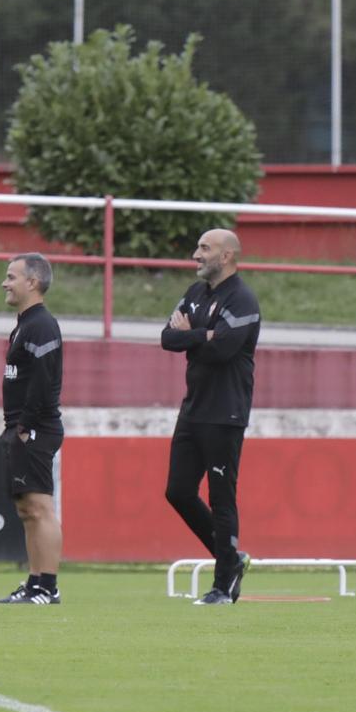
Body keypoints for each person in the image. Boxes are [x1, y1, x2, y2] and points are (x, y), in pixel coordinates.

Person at [160, 228, 263, 605]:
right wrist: (204, 336)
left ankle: (223, 586)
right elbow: (167, 338)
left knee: (222, 498)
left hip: (226, 412)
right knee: (178, 491)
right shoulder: (195, 293)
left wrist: (196, 335)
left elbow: (224, 349)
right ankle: (231, 557)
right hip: (193, 409)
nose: (195, 255)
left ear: (227, 256)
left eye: (205, 248)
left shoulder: (243, 299)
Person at [0, 252, 65, 604]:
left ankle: (48, 587)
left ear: (32, 282)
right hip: (21, 427)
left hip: (33, 428)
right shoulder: (25, 323)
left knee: (39, 507)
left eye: (11, 276)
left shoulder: (40, 325)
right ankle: (35, 582)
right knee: (26, 510)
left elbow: (44, 381)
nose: (4, 283)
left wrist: (24, 426)